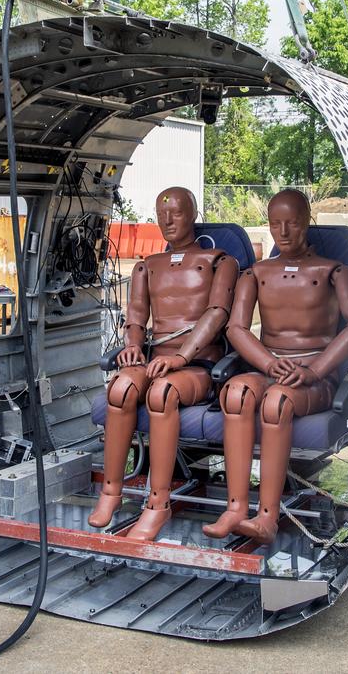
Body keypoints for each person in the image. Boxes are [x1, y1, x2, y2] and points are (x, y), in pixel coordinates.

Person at [203, 189, 348, 544]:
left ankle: (267, 516)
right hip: (271, 367)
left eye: (292, 223)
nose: (284, 232)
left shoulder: (335, 271)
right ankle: (235, 507)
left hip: (314, 376)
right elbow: (236, 327)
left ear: (307, 221)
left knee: (277, 401)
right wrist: (268, 361)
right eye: (276, 224)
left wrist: (315, 370)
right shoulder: (256, 273)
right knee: (235, 392)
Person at [88, 187, 239, 541]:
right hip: (156, 359)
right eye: (161, 214)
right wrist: (132, 347)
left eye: (177, 213)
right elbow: (136, 316)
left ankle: (157, 504)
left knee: (162, 392)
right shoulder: (147, 266)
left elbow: (217, 314)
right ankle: (111, 492)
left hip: (197, 365)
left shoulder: (221, 262)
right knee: (121, 386)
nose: (168, 220)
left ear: (193, 214)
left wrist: (181, 356)